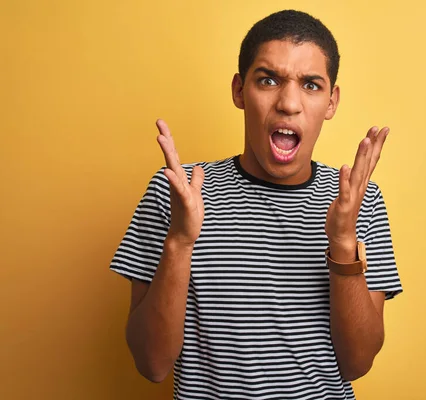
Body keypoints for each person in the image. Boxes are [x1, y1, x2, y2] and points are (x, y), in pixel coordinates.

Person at [110, 9, 402, 400]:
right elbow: (152, 364)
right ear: (239, 90)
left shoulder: (358, 198)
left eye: (311, 85)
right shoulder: (178, 192)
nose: (289, 103)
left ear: (331, 102)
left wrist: (344, 241)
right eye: (268, 80)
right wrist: (180, 242)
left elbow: (358, 363)